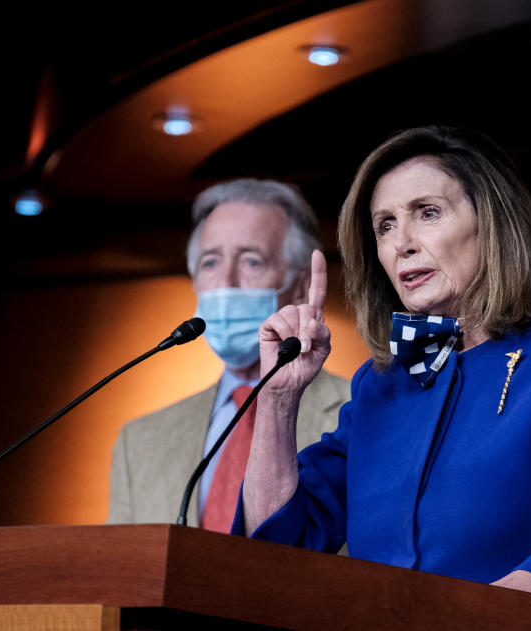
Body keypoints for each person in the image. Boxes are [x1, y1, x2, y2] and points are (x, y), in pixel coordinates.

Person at [233, 125, 531, 605]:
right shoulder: (381, 384)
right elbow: (280, 547)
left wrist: (472, 620)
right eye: (384, 225)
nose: (401, 242)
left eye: (427, 213)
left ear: (492, 223)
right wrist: (278, 401)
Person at [108, 178, 350, 530]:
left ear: (300, 286)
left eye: (251, 262)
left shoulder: (360, 415)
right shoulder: (139, 442)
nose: (225, 283)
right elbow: (120, 571)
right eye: (210, 263)